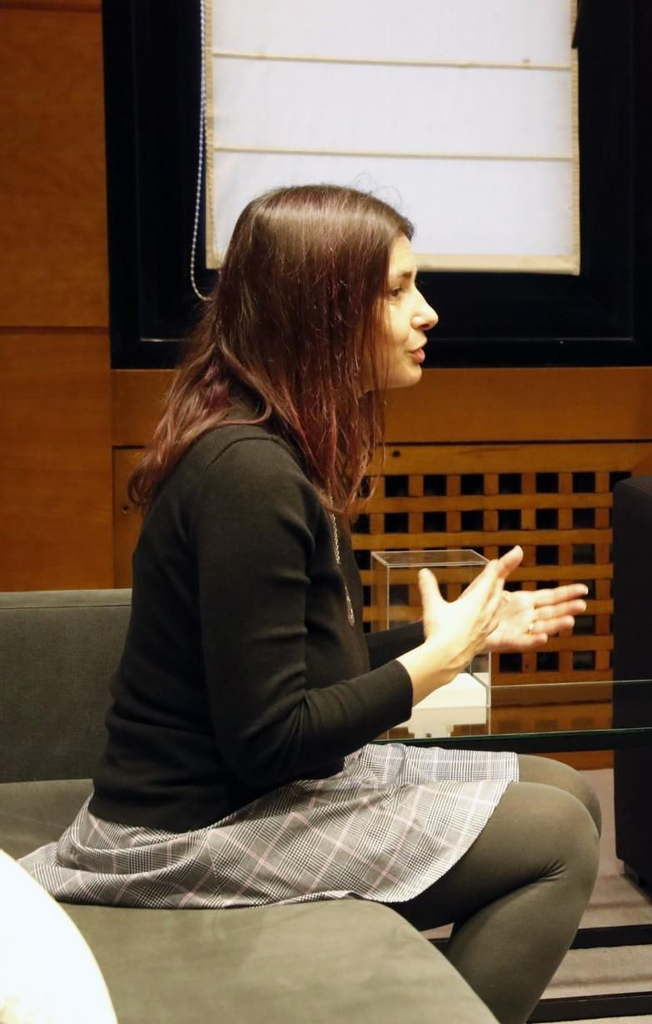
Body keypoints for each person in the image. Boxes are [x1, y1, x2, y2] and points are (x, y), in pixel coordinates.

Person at [21, 185, 599, 1023]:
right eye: (397, 289)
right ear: (320, 314)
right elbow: (270, 740)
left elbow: (301, 672)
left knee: (572, 791)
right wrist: (433, 664)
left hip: (263, 792)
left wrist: (453, 638)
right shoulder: (248, 476)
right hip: (190, 832)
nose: (428, 311)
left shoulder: (278, 449)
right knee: (560, 838)